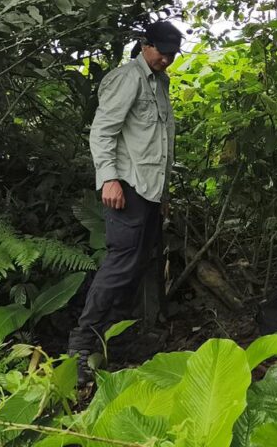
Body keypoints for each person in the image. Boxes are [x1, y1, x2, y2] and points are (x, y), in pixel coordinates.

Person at [68, 20, 184, 384]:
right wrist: (109, 179)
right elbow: (103, 132)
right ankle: (81, 347)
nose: (167, 59)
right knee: (120, 265)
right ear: (145, 45)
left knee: (136, 266)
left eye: (172, 54)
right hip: (126, 187)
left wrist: (163, 195)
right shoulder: (127, 78)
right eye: (162, 52)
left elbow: (160, 144)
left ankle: (114, 340)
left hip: (149, 191)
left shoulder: (160, 83)